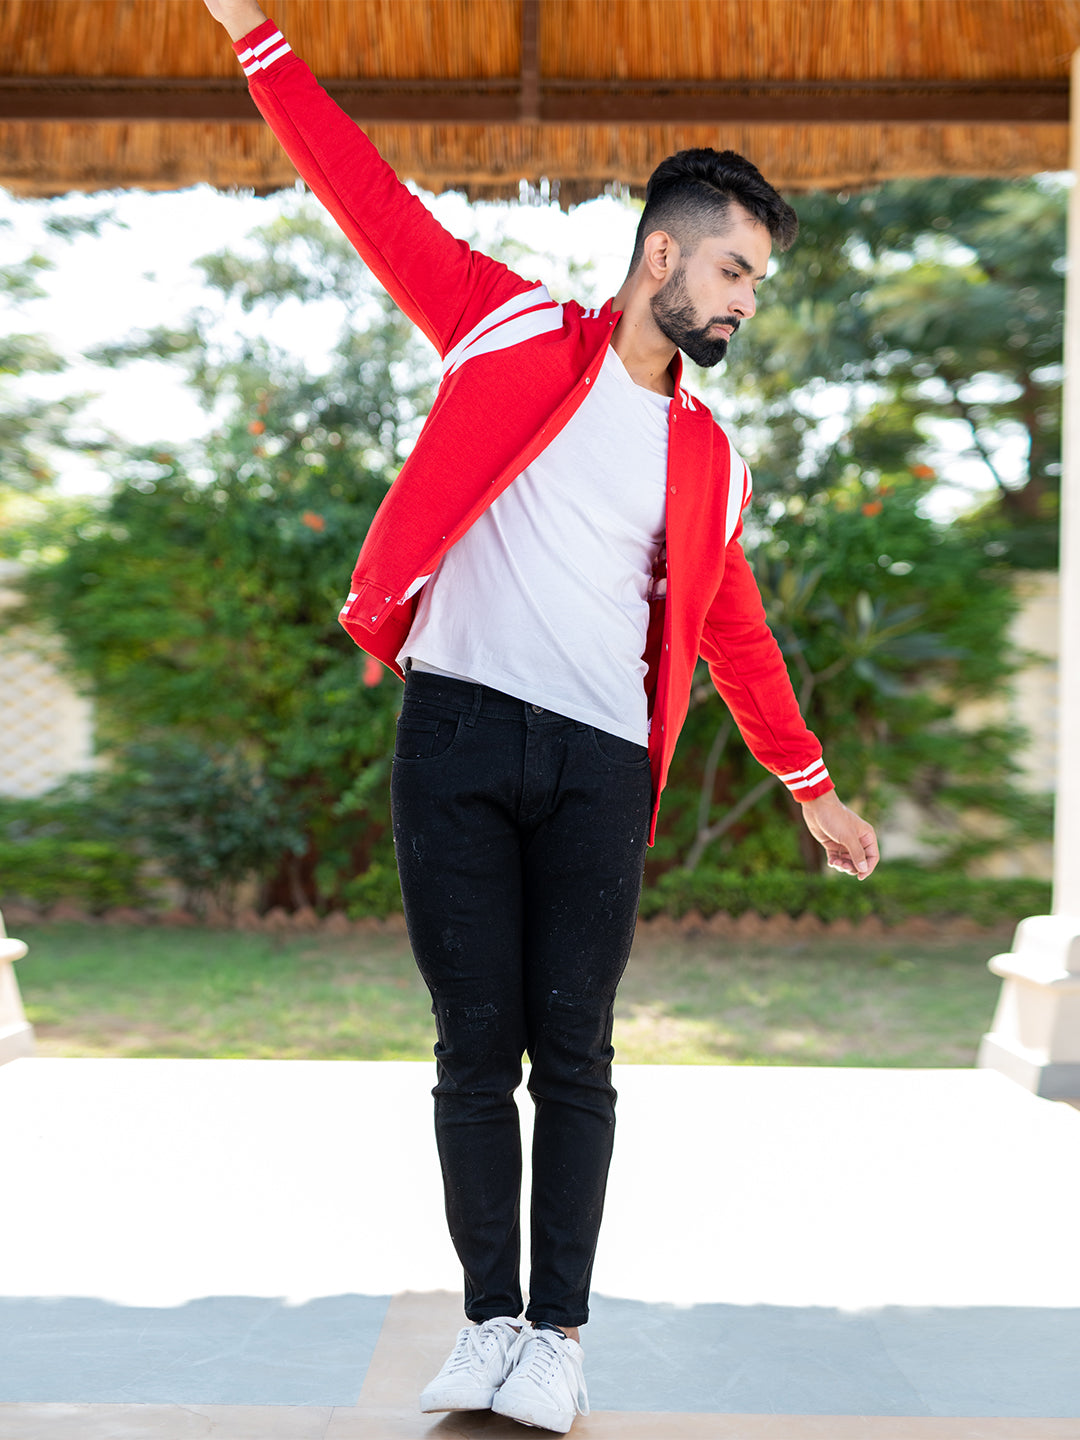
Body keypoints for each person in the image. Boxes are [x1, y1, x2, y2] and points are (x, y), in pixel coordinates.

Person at [203, 3, 879, 1430]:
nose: (747, 301)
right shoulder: (503, 323)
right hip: (451, 735)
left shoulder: (712, 459)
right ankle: (487, 1323)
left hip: (595, 768)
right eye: (737, 268)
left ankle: (556, 1334)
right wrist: (257, 34)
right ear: (661, 255)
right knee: (470, 1049)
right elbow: (361, 192)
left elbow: (732, 635)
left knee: (573, 1051)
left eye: (758, 279)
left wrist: (808, 784)